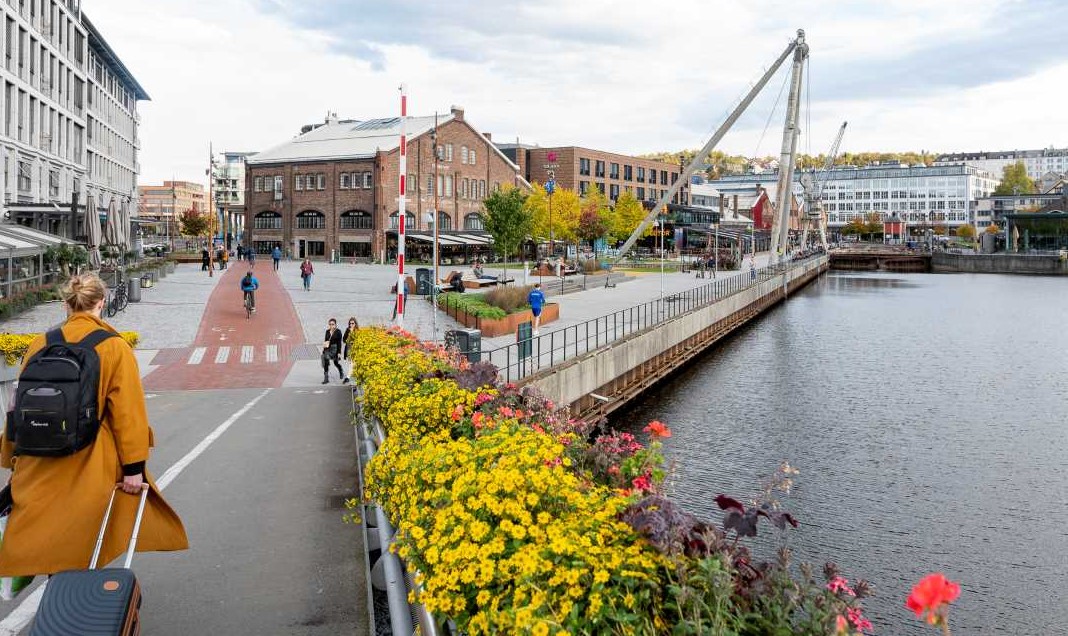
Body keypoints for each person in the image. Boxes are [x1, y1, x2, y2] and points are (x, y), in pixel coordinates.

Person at [0, 273, 188, 578]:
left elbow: (16, 407)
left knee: (51, 539)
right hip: (90, 458)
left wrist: (12, 459)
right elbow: (128, 414)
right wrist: (133, 468)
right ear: (102, 302)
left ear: (66, 304)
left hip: (37, 459)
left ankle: (58, 602)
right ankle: (76, 610)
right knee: (86, 538)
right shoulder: (114, 347)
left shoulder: (39, 344)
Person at [321, 318, 344, 384]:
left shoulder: (338, 332)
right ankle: (326, 378)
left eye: (333, 324)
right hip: (328, 349)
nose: (331, 326)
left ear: (335, 324)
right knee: (325, 361)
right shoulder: (327, 331)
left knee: (335, 363)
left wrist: (339, 352)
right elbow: (326, 341)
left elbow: (339, 343)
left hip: (335, 349)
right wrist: (324, 350)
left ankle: (340, 370)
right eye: (330, 324)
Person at [341, 316, 359, 385]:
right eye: (350, 323)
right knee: (351, 363)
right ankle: (350, 376)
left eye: (352, 323)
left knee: (353, 363)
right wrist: (348, 339)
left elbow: (358, 339)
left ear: (355, 324)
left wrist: (353, 340)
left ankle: (348, 377)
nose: (351, 325)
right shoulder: (347, 330)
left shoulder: (357, 330)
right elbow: (344, 339)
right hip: (349, 349)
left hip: (355, 349)